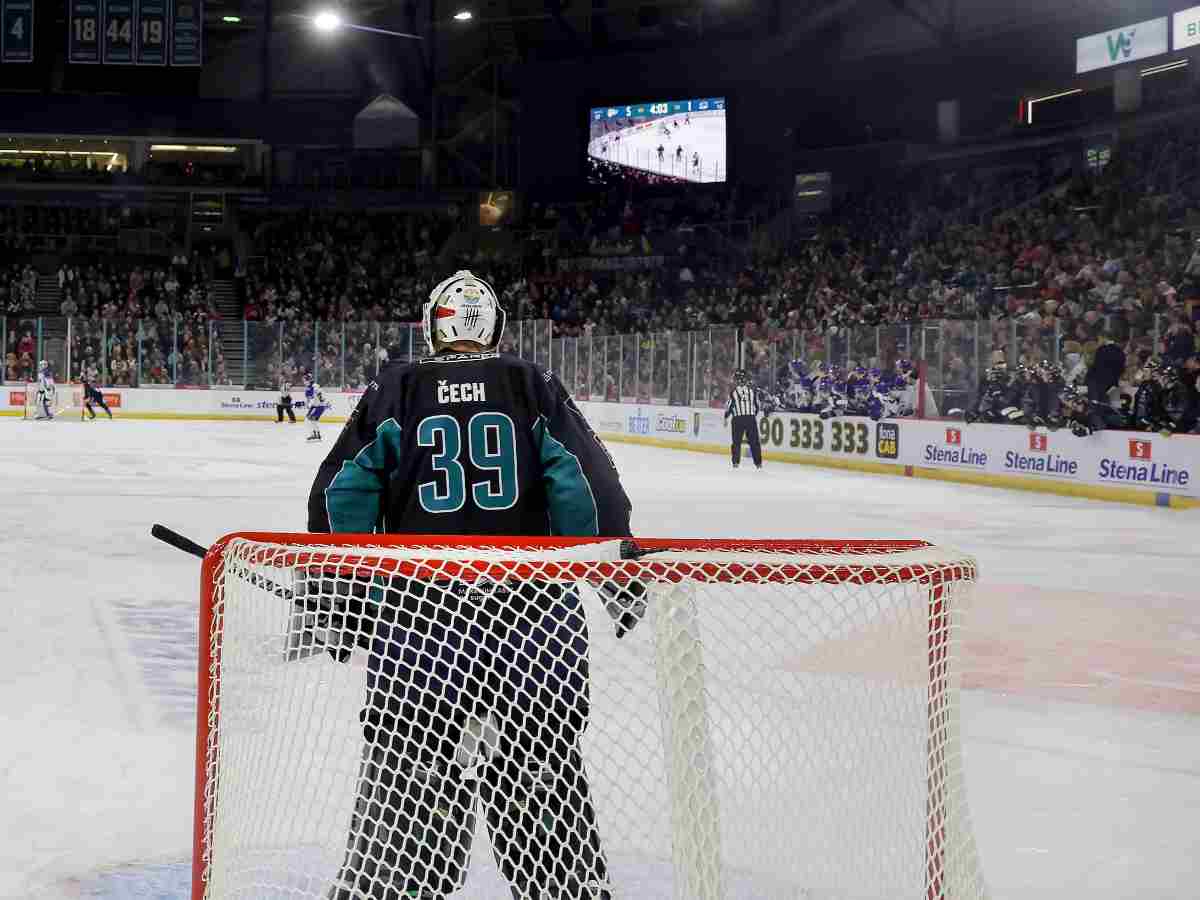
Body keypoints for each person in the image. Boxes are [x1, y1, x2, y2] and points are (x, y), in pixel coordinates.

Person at [307, 270, 634, 900]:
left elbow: (340, 493)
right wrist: (617, 580)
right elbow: (586, 485)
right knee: (543, 782)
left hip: (419, 635)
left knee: (408, 796)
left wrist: (336, 596)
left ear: (433, 325)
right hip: (532, 635)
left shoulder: (398, 388)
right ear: (494, 329)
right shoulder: (530, 385)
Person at [725, 368, 764, 469]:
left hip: (737, 419)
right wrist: (752, 415)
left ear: (737, 380)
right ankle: (758, 464)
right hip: (750, 418)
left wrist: (726, 417)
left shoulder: (733, 392)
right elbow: (757, 406)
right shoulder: (752, 391)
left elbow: (729, 406)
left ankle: (735, 463)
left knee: (736, 442)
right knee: (754, 442)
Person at [303, 373, 329, 442]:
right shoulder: (309, 387)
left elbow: (320, 396)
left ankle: (316, 435)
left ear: (308, 380)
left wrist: (312, 402)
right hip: (315, 405)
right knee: (309, 420)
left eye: (305, 380)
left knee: (311, 420)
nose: (304, 382)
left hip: (319, 406)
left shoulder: (314, 386)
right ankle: (316, 435)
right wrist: (309, 403)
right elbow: (309, 397)